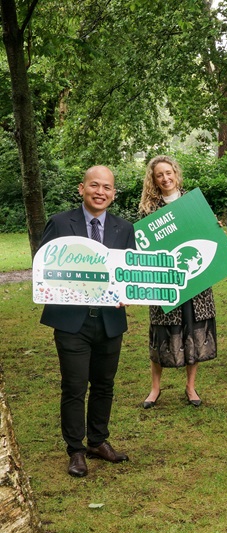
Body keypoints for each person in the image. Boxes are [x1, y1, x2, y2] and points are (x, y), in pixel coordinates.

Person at [40, 166, 136, 477]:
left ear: (113, 193)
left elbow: (130, 272)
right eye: (94, 185)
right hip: (71, 322)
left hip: (110, 321)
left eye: (107, 187)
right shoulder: (59, 223)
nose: (100, 192)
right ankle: (76, 450)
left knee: (105, 385)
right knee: (75, 386)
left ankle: (98, 441)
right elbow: (43, 268)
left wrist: (129, 291)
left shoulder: (124, 228)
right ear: (82, 188)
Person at [139, 156, 217, 409]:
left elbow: (210, 236)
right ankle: (154, 389)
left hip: (196, 279)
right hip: (165, 282)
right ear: (153, 179)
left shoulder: (193, 203)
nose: (165, 178)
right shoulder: (149, 210)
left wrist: (212, 226)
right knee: (161, 331)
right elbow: (144, 246)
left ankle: (191, 387)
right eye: (159, 174)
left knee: (194, 331)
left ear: (176, 173)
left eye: (168, 172)